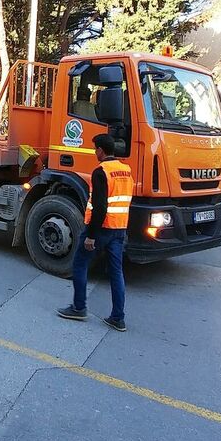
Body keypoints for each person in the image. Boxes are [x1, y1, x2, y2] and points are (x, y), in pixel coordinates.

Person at [57, 133, 131, 332]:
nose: (94, 152)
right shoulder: (126, 170)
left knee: (80, 264)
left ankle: (79, 308)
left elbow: (100, 207)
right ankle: (118, 318)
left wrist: (91, 235)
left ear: (100, 150)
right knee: (116, 272)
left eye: (94, 148)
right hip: (119, 228)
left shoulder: (101, 172)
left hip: (101, 229)